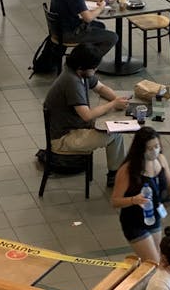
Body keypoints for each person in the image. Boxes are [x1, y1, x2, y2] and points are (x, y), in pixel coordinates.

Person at [44, 44, 129, 188]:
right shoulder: (71, 82)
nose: (95, 70)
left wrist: (119, 100)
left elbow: (100, 88)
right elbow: (87, 115)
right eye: (94, 68)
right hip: (65, 138)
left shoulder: (77, 72)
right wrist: (113, 104)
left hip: (74, 127)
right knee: (115, 133)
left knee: (112, 128)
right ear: (82, 67)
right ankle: (115, 175)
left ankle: (116, 172)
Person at [111, 127, 170, 262]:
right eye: (150, 148)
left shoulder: (161, 159)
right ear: (141, 149)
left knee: (157, 258)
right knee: (153, 262)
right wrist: (133, 200)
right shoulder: (127, 170)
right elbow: (115, 201)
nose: (155, 151)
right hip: (134, 221)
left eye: (157, 146)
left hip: (154, 216)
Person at [48, 0, 118, 57]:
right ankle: (86, 63)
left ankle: (86, 53)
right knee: (112, 37)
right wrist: (101, 8)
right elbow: (88, 18)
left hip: (58, 27)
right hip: (68, 32)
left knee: (100, 26)